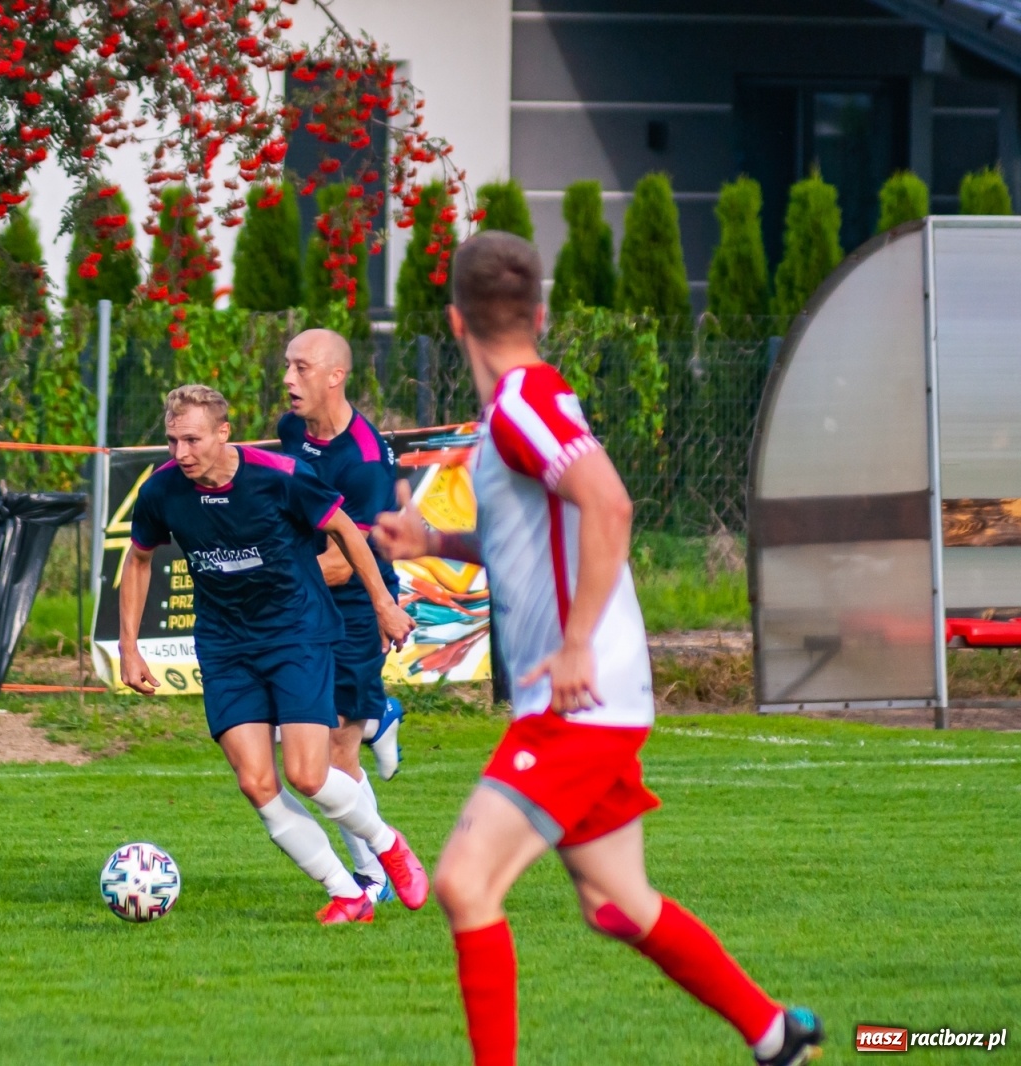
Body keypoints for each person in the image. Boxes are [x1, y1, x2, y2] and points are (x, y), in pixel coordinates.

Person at [372, 234, 823, 1065]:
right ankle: (775, 1035)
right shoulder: (520, 407)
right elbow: (536, 533)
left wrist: (576, 645)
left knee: (465, 884)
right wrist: (432, 535)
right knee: (618, 901)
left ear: (451, 321)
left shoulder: (520, 404)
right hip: (595, 695)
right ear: (539, 314)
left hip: (578, 698)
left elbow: (609, 506)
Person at [119, 384, 425, 924]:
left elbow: (348, 532)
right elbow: (139, 560)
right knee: (256, 782)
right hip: (224, 644)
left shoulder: (278, 476)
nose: (180, 454)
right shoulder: (162, 490)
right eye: (172, 441)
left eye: (191, 440)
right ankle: (345, 892)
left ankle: (388, 844)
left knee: (309, 774)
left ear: (222, 432)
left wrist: (383, 603)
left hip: (296, 634)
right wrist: (129, 647)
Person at [277, 328, 405, 906]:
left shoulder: (365, 463)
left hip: (353, 609)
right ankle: (381, 715)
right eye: (286, 366)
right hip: (306, 607)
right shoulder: (290, 433)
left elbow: (345, 563)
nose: (287, 379)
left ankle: (373, 876)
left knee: (333, 754)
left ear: (336, 376)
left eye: (301, 368)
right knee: (297, 740)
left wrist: (261, 573)